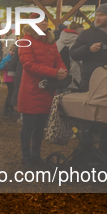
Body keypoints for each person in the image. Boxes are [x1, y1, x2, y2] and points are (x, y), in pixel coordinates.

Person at [18, 14, 67, 165]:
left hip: (46, 89)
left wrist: (62, 70)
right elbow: (28, 65)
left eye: (45, 20)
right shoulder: (25, 41)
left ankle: (35, 155)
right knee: (29, 126)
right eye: (40, 20)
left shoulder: (51, 41)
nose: (44, 23)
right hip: (31, 89)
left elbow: (57, 58)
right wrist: (54, 72)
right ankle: (26, 157)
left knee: (40, 126)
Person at [56, 21, 84, 89]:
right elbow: (81, 61)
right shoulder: (78, 43)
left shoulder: (58, 41)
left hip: (58, 76)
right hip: (74, 78)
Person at [0, 45, 18, 117]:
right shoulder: (6, 59)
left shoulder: (13, 59)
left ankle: (9, 108)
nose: (12, 52)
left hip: (13, 78)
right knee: (11, 93)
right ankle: (7, 108)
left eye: (14, 51)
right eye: (12, 50)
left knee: (12, 93)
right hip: (8, 78)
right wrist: (5, 65)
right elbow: (0, 67)